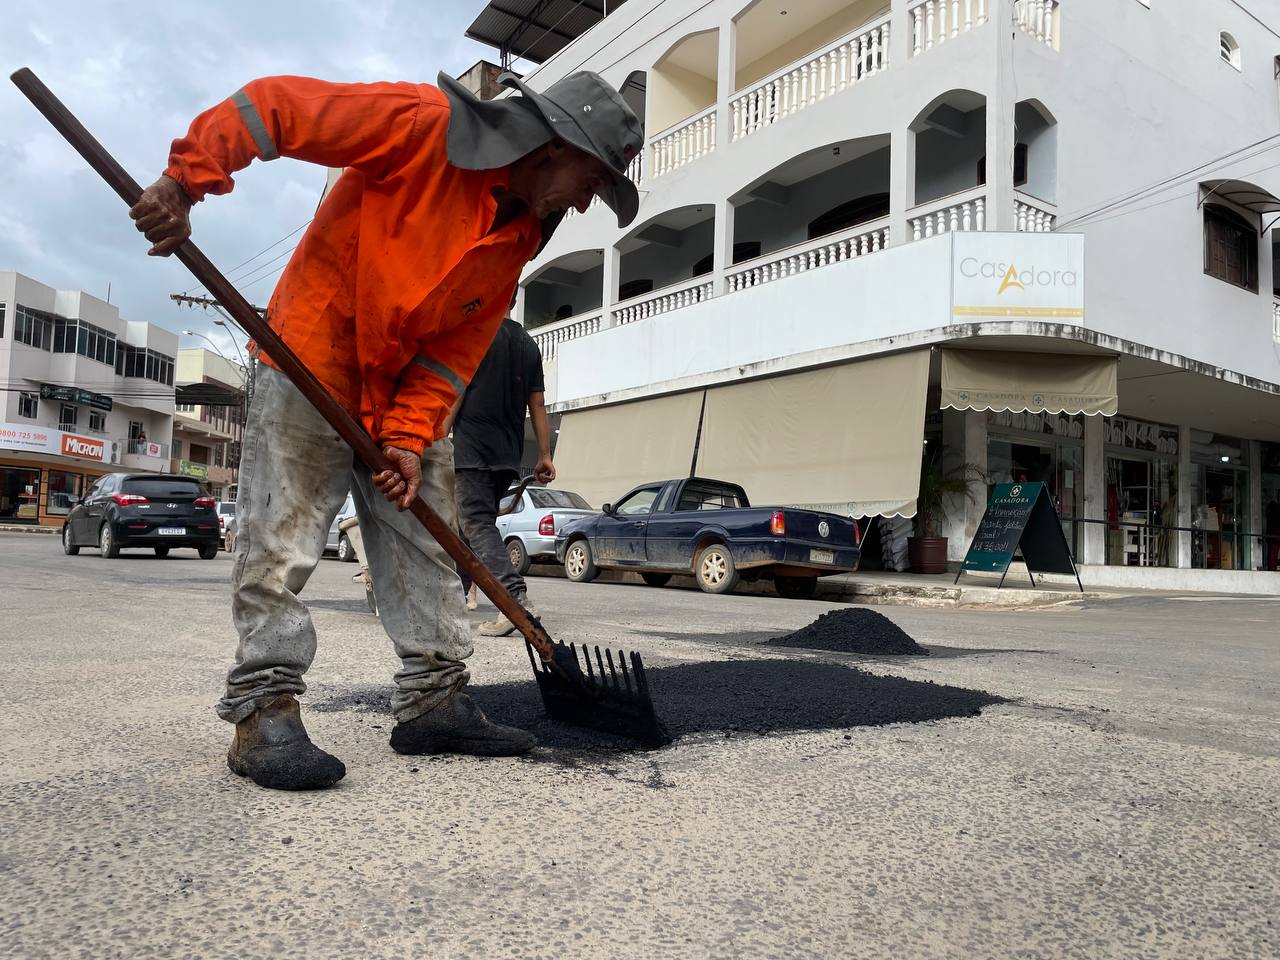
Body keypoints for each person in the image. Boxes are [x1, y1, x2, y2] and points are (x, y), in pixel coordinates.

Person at [129, 70, 642, 791]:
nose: (588, 199)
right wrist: (184, 184)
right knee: (282, 539)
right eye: (593, 178)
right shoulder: (421, 126)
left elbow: (453, 351)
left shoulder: (518, 236)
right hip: (312, 355)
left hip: (402, 390)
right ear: (556, 144)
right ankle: (263, 711)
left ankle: (434, 703)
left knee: (429, 544)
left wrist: (407, 434)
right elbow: (276, 108)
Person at [452, 313, 555, 635]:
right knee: (466, 531)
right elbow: (537, 403)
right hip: (507, 453)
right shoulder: (526, 342)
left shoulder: (474, 331)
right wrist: (544, 454)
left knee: (475, 523)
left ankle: (515, 601)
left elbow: (457, 389)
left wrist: (438, 434)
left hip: (473, 449)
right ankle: (449, 600)